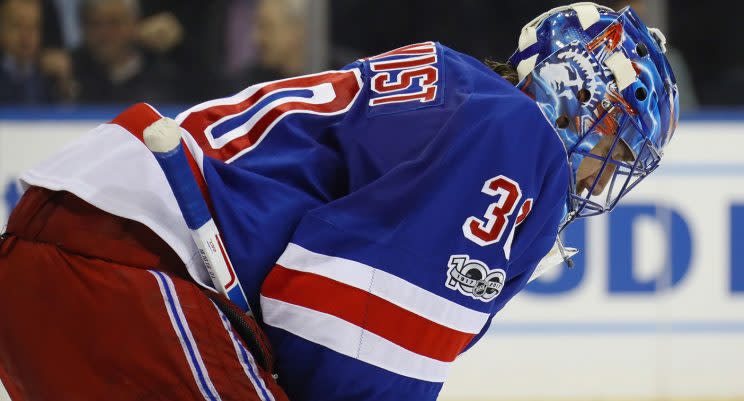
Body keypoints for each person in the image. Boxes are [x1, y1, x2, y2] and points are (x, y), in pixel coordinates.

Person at [0, 2, 678, 400]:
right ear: (572, 95)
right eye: (610, 140)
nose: (599, 171)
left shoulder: (461, 94)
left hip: (81, 246)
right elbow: (340, 326)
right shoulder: (514, 134)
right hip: (133, 267)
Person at [71, 0, 178, 104]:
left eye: (114, 23)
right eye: (95, 24)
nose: (104, 33)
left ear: (134, 23)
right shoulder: (71, 72)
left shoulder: (163, 72)